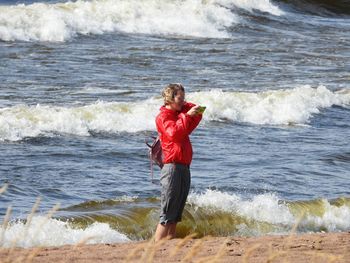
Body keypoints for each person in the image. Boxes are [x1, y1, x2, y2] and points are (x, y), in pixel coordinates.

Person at [154, 83, 203, 242]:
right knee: (167, 214)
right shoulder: (163, 117)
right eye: (179, 98)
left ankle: (167, 250)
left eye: (184, 98)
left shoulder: (179, 116)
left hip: (184, 167)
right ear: (169, 99)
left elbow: (198, 113)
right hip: (172, 168)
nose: (183, 102)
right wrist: (186, 115)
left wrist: (186, 110)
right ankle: (156, 249)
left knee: (175, 215)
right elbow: (173, 133)